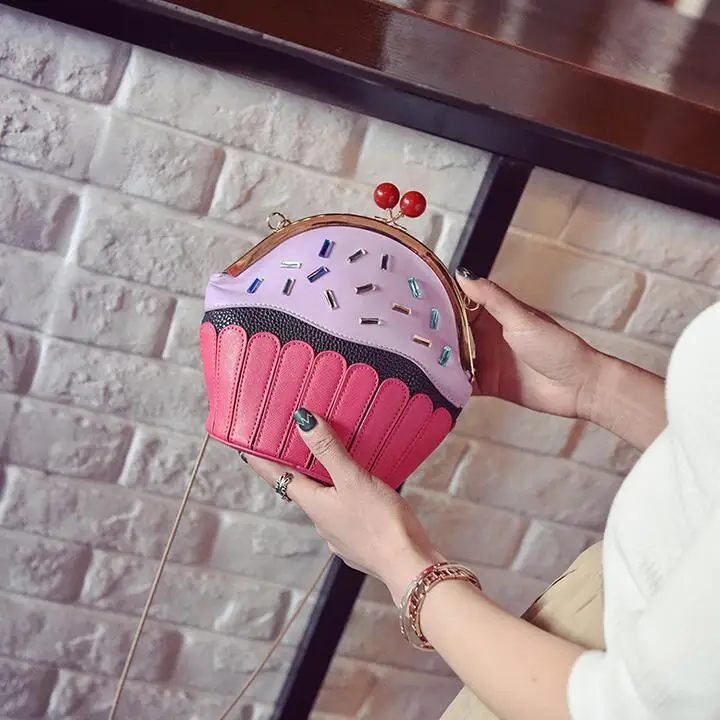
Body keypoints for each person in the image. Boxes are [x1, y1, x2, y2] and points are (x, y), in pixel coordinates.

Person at [243, 269, 720, 720]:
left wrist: (397, 559)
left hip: (561, 689)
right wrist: (592, 384)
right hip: (578, 635)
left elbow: (617, 710)